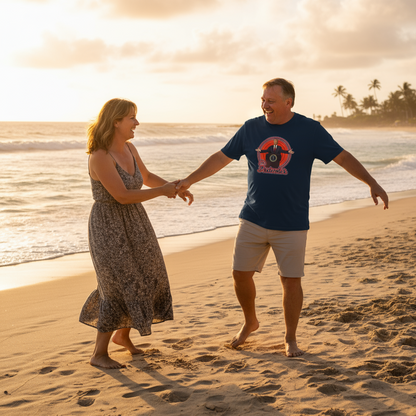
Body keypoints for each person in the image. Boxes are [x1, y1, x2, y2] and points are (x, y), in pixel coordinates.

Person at [176, 78, 388, 357]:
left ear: (289, 102)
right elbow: (220, 157)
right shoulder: (251, 128)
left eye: (271, 101)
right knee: (240, 274)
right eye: (263, 99)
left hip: (291, 222)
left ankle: (290, 338)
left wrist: (371, 181)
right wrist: (190, 180)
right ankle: (250, 321)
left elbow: (342, 157)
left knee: (290, 281)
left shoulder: (310, 130)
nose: (265, 104)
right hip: (252, 217)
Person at [79, 98, 193, 369]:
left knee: (147, 276)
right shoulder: (100, 156)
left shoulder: (129, 148)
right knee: (118, 285)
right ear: (116, 121)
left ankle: (122, 335)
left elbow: (147, 176)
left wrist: (173, 187)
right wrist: (161, 192)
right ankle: (99, 353)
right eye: (132, 117)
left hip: (136, 221)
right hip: (108, 226)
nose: (137, 123)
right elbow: (120, 195)